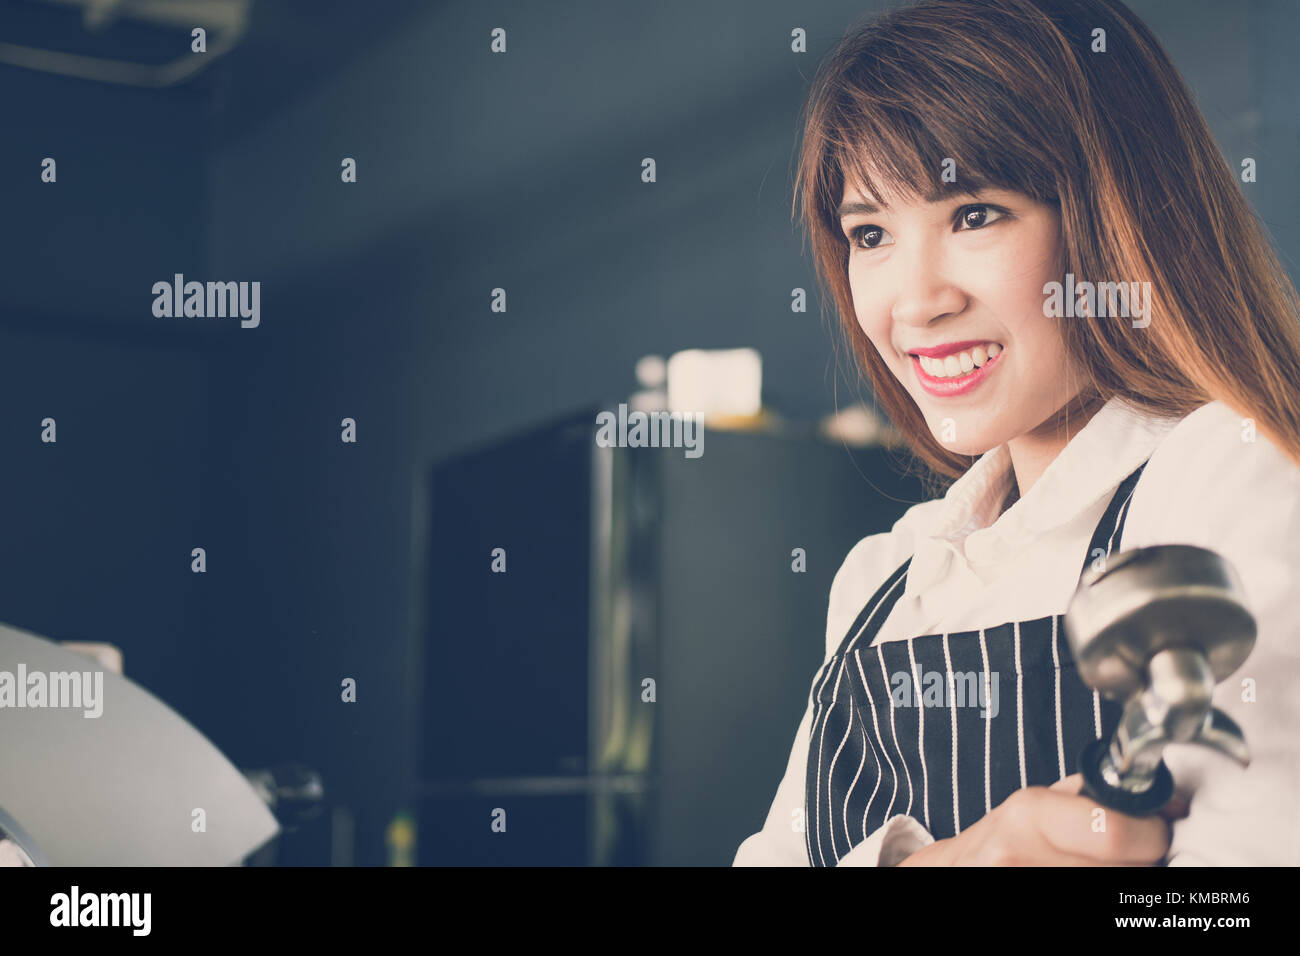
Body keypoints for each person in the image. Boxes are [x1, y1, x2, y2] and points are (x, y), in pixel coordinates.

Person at [734, 0, 1300, 866]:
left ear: (1118, 218)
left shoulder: (1233, 473)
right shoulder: (881, 583)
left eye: (974, 214)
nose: (916, 301)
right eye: (871, 233)